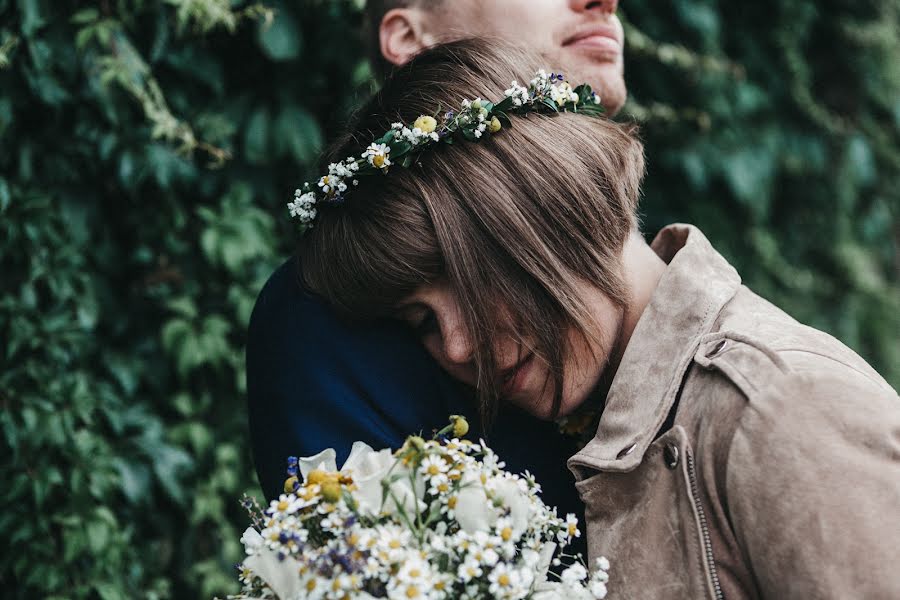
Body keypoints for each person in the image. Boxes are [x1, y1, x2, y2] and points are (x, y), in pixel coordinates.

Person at [294, 38, 900, 599]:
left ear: (553, 206)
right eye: (421, 320)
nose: (454, 347)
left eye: (468, 278)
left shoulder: (781, 409)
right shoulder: (584, 426)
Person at [247, 0, 624, 534]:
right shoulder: (329, 319)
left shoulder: (714, 339)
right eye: (422, 319)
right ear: (410, 36)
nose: (602, 2)